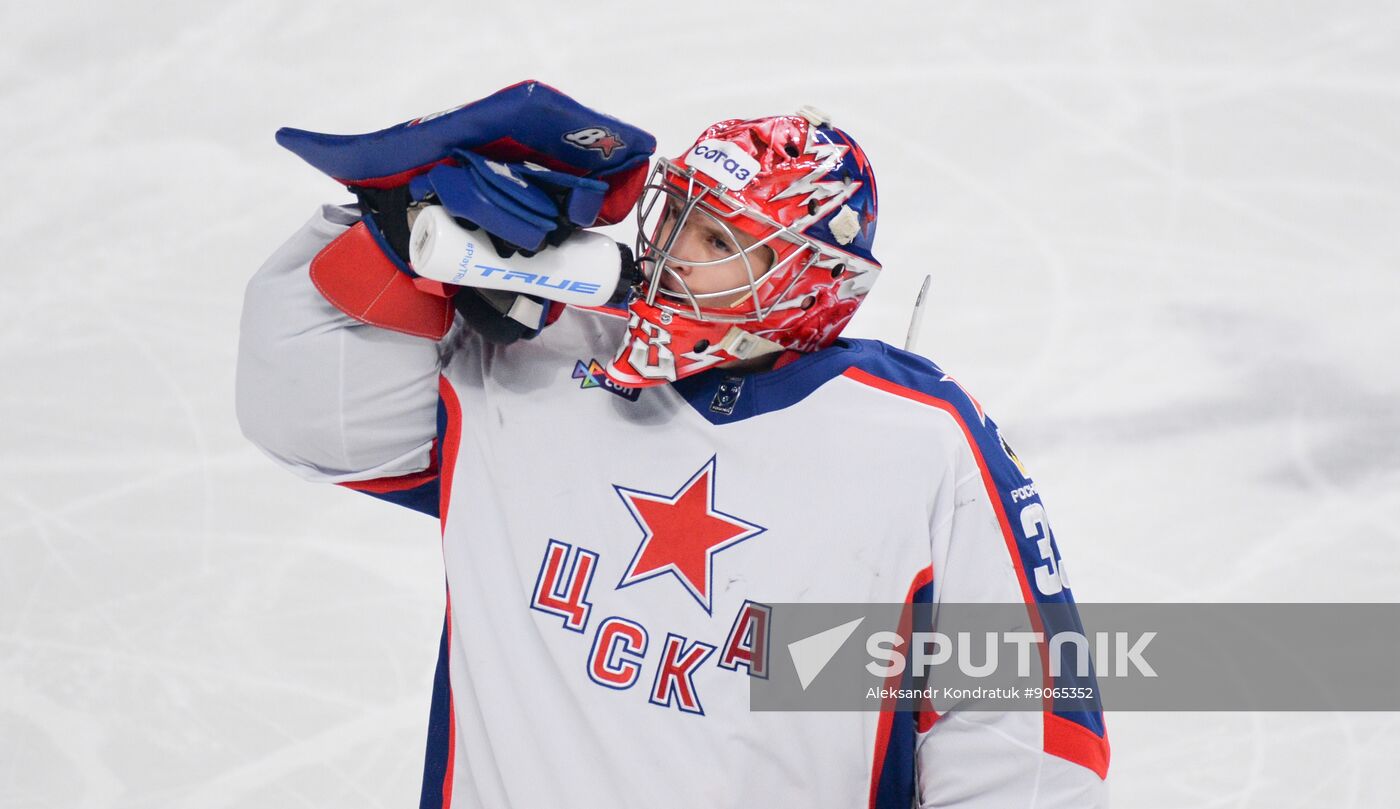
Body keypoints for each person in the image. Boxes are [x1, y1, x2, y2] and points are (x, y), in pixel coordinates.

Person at [237, 83, 1109, 808]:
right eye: (678, 213)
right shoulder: (538, 349)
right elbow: (304, 409)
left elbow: (1032, 731)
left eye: (721, 239)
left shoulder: (921, 441)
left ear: (813, 282)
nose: (667, 255)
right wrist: (391, 234)